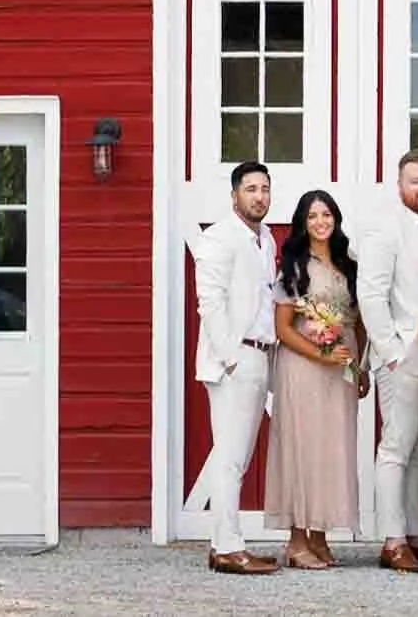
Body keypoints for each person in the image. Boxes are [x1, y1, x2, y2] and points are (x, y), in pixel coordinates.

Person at [356, 149, 418, 573]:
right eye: (417, 181)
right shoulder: (385, 229)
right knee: (395, 447)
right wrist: (391, 354)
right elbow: (372, 295)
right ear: (400, 186)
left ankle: (416, 532)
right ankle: (392, 539)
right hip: (402, 355)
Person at [267, 187, 363, 570]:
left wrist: (361, 368)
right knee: (301, 448)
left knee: (331, 449)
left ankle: (320, 536)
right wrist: (320, 353)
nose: (321, 222)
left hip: (342, 367)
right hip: (304, 368)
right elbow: (283, 328)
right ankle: (296, 540)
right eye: (313, 217)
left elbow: (359, 321)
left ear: (336, 219)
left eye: (326, 215)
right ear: (302, 224)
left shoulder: (348, 263)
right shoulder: (294, 265)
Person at [192, 159, 279, 575]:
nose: (259, 196)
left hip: (262, 353)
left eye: (264, 189)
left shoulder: (267, 240)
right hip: (234, 359)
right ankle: (227, 547)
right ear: (234, 195)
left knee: (239, 458)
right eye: (251, 189)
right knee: (228, 456)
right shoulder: (219, 239)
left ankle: (225, 542)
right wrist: (229, 357)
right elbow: (209, 303)